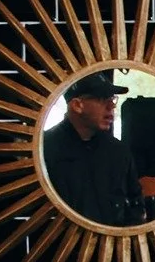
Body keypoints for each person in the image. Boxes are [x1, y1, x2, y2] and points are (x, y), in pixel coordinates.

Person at [40, 73, 142, 227]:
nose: (112, 106)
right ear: (77, 105)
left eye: (112, 99)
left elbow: (135, 204)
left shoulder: (118, 151)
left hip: (113, 241)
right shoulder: (44, 150)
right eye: (102, 99)